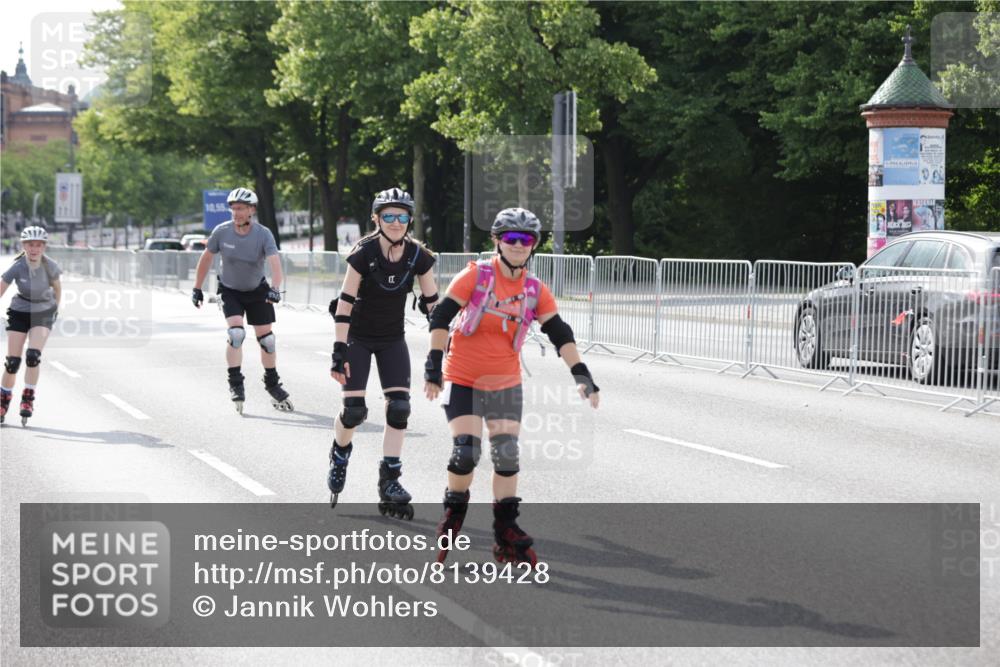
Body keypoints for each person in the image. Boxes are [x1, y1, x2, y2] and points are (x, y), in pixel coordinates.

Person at [423, 207, 601, 566]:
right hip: (464, 378)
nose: (519, 245)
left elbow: (559, 332)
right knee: (466, 452)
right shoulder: (475, 276)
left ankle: (505, 530)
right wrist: (433, 364)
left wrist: (582, 373)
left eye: (527, 240)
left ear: (534, 246)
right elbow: (441, 316)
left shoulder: (534, 289)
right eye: (511, 239)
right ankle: (453, 515)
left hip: (506, 381)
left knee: (506, 455)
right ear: (497, 241)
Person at [327, 188, 438, 519]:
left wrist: (441, 344)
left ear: (410, 220)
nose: (395, 222)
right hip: (358, 339)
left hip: (392, 339)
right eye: (388, 216)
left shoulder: (418, 256)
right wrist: (337, 350)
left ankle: (389, 479)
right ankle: (340, 452)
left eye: (402, 216)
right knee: (354, 412)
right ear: (376, 219)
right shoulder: (363, 253)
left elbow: (434, 305)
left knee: (400, 408)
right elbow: (345, 303)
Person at [191, 187, 292, 414]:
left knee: (267, 340)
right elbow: (206, 258)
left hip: (257, 290)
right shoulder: (221, 231)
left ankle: (272, 383)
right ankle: (235, 383)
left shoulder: (263, 234)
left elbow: (275, 264)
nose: (236, 213)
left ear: (251, 210)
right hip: (230, 290)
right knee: (236, 333)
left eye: (241, 209)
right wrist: (197, 288)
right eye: (233, 208)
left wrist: (275, 288)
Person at [0, 227, 61, 426]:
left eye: (38, 245)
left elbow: (58, 289)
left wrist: (54, 310)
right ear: (23, 246)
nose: (34, 249)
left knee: (33, 357)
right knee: (12, 363)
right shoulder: (17, 266)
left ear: (44, 247)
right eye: (30, 245)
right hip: (19, 311)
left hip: (42, 313)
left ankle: (27, 398)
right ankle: (4, 399)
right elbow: (1, 288)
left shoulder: (50, 266)